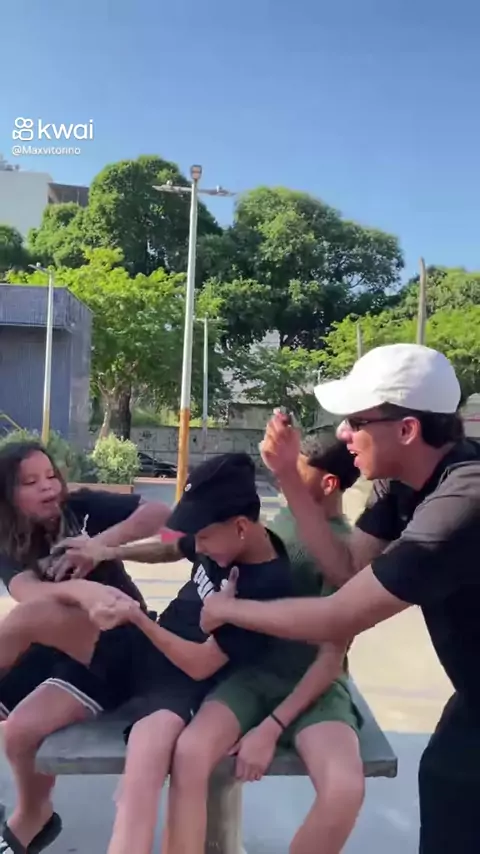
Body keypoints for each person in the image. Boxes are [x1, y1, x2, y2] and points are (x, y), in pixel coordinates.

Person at [201, 343, 480, 854]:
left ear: (407, 430)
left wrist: (226, 609)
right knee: (447, 784)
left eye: (356, 420)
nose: (344, 434)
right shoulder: (399, 484)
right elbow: (348, 570)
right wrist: (289, 476)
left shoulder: (463, 502)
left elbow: (338, 616)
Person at [37, 451, 294, 854]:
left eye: (204, 539)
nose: (198, 546)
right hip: (150, 644)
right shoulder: (214, 536)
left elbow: (201, 664)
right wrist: (107, 552)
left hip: (182, 680)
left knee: (141, 776)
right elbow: (172, 545)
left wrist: (139, 619)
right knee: (38, 618)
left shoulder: (266, 585)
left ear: (241, 527)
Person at [160, 432, 363, 854]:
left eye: (294, 472)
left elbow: (331, 658)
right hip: (250, 677)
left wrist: (271, 728)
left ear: (328, 484)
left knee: (344, 789)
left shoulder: (344, 553)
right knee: (190, 753)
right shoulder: (277, 520)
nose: (282, 480)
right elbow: (189, 545)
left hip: (313, 689)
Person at [0, 439, 171, 853]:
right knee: (18, 732)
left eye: (51, 476)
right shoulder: (6, 539)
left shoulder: (82, 508)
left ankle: (29, 818)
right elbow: (28, 591)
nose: (48, 487)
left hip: (124, 642)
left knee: (26, 622)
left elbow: (162, 514)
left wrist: (101, 546)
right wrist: (80, 590)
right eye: (30, 482)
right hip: (64, 650)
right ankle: (35, 815)